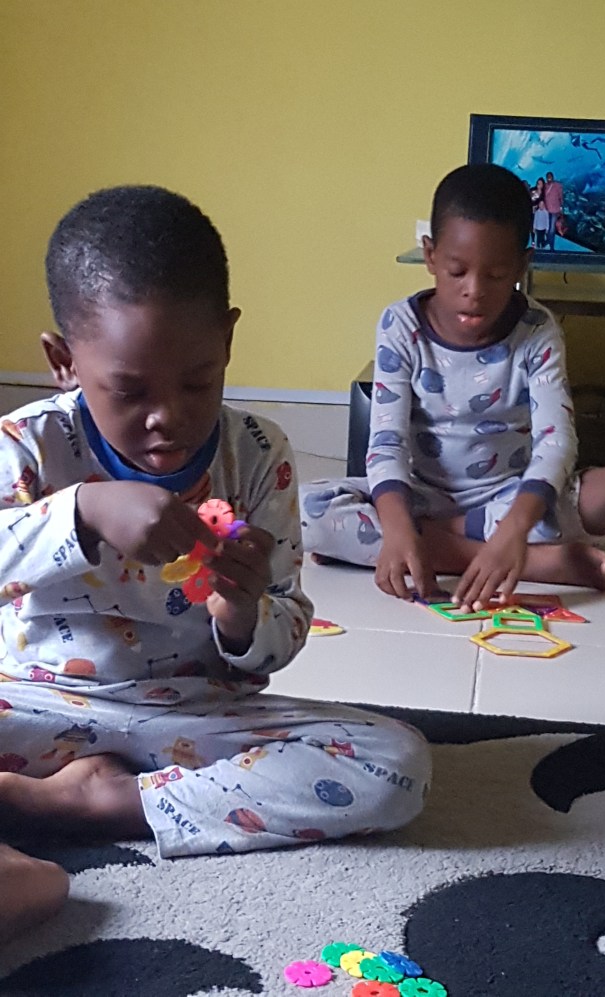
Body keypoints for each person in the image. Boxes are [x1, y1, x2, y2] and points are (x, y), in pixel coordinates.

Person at [0, 186, 430, 873]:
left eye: (197, 382)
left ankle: (104, 802)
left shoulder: (257, 454)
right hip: (33, 704)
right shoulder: (27, 445)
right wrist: (83, 511)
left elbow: (283, 629)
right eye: (130, 391)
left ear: (227, 340)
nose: (166, 416)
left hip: (196, 717)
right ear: (64, 361)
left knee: (394, 763)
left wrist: (241, 615)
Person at [301, 164, 605, 610]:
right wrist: (399, 526)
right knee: (307, 510)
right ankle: (536, 563)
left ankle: (458, 548)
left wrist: (514, 529)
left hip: (508, 499)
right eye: (457, 271)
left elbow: (556, 442)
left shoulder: (537, 330)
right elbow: (386, 443)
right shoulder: (400, 325)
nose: (475, 290)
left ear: (522, 264)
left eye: (497, 275)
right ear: (430, 256)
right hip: (421, 497)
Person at [544, 172, 564, 250]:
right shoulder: (545, 186)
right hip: (546, 210)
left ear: (553, 177)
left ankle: (551, 246)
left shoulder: (558, 185)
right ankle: (548, 241)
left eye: (550, 176)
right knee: (547, 228)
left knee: (552, 229)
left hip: (555, 210)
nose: (549, 178)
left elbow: (561, 197)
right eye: (548, 176)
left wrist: (561, 209)